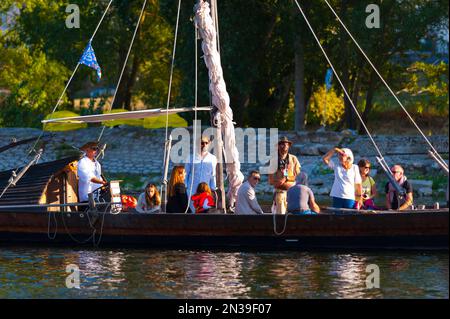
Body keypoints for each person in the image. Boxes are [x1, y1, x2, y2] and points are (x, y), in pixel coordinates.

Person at [268, 136, 301, 214]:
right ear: (278, 146)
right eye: (282, 144)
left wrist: (286, 178)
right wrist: (278, 182)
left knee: (293, 215)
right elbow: (270, 181)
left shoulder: (293, 159)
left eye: (286, 144)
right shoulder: (273, 160)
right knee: (281, 216)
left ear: (289, 146)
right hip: (280, 193)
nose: (284, 145)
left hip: (293, 193)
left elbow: (299, 177)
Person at [185, 136, 217, 212]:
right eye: (202, 143)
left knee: (204, 213)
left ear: (209, 144)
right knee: (192, 213)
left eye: (206, 143)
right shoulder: (190, 157)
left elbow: (213, 175)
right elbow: (186, 174)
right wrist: (186, 189)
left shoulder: (213, 158)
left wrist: (213, 189)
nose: (204, 145)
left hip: (206, 192)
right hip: (192, 191)